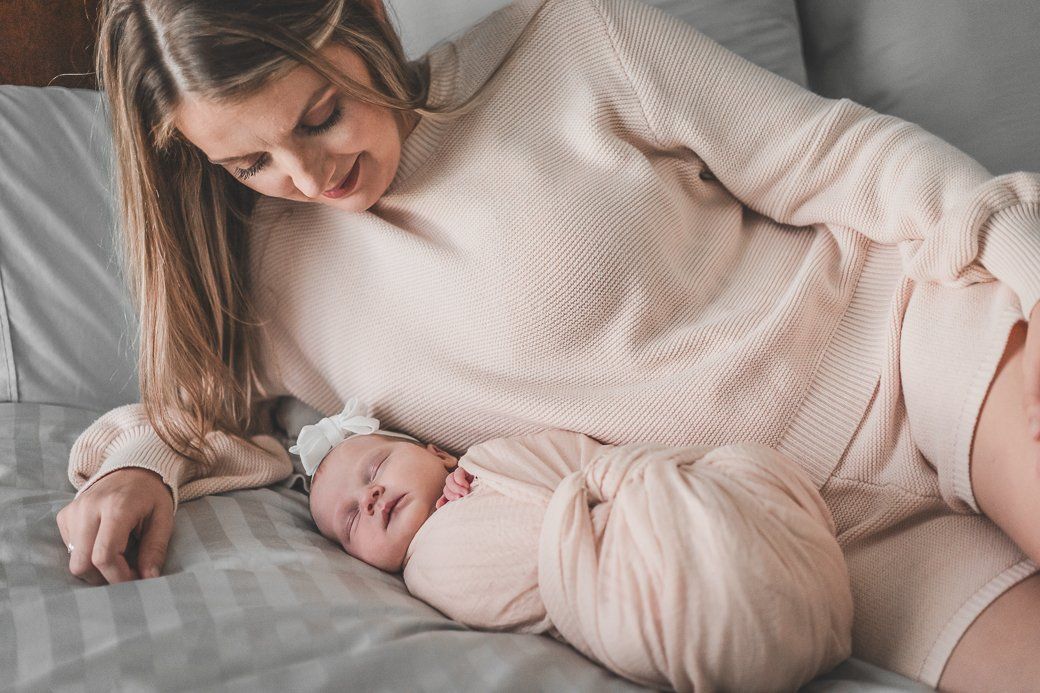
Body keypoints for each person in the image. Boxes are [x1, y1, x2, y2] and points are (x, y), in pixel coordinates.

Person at [53, 0, 1040, 687]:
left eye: (321, 114)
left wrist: (1021, 259)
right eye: (250, 160)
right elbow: (203, 412)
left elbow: (835, 155)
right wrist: (139, 467)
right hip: (796, 544)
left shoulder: (565, 41)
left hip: (923, 350)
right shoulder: (270, 281)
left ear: (365, 20)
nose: (309, 174)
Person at [297, 398, 854, 691]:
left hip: (660, 515)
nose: (369, 499)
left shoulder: (492, 457)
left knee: (738, 470)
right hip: (634, 593)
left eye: (376, 468)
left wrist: (487, 480)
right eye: (350, 521)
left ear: (436, 453)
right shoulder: (428, 574)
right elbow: (536, 583)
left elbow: (591, 463)